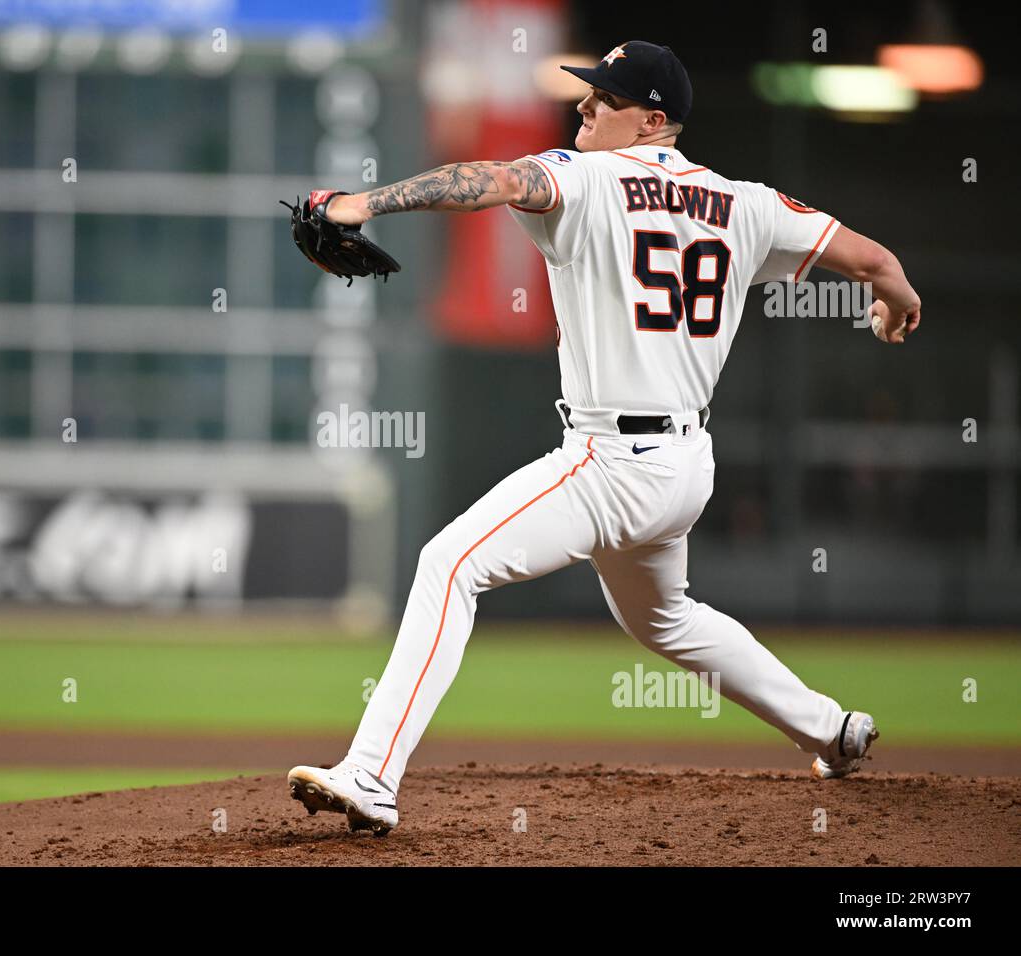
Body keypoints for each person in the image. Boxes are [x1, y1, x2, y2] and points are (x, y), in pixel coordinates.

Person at [288, 41, 920, 835]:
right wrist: (894, 300)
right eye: (586, 94)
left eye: (604, 99)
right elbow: (874, 260)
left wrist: (362, 204)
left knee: (448, 564)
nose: (584, 107)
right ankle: (832, 729)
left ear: (654, 120)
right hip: (686, 467)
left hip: (611, 461)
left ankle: (372, 776)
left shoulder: (584, 176)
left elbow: (496, 180)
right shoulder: (747, 203)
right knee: (665, 619)